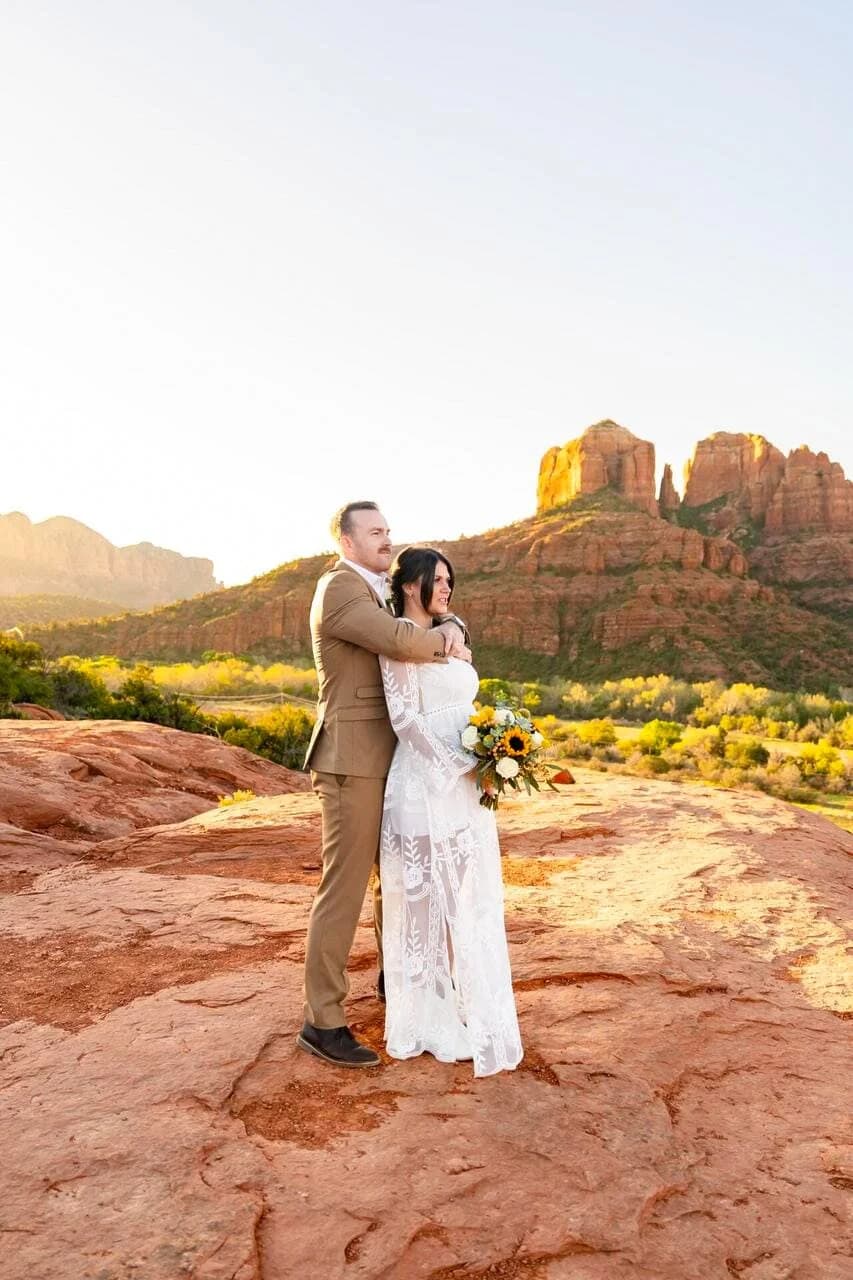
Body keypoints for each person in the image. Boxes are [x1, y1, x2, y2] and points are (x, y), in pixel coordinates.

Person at [298, 503, 469, 1069]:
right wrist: (445, 639)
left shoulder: (375, 588)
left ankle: (399, 984)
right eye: (374, 532)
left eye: (388, 532)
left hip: (391, 763)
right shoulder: (340, 588)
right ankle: (322, 1021)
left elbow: (423, 615)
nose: (386, 539)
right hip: (352, 761)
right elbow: (399, 640)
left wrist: (452, 623)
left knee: (394, 881)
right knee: (344, 890)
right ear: (345, 540)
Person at [379, 546, 523, 1076]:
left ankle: (465, 1006)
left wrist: (489, 755)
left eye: (449, 581)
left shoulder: (450, 633)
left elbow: (465, 707)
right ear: (410, 583)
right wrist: (455, 764)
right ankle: (424, 1020)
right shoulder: (398, 641)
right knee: (422, 906)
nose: (446, 589)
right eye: (437, 581)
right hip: (421, 787)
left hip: (464, 787)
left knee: (465, 896)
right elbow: (404, 720)